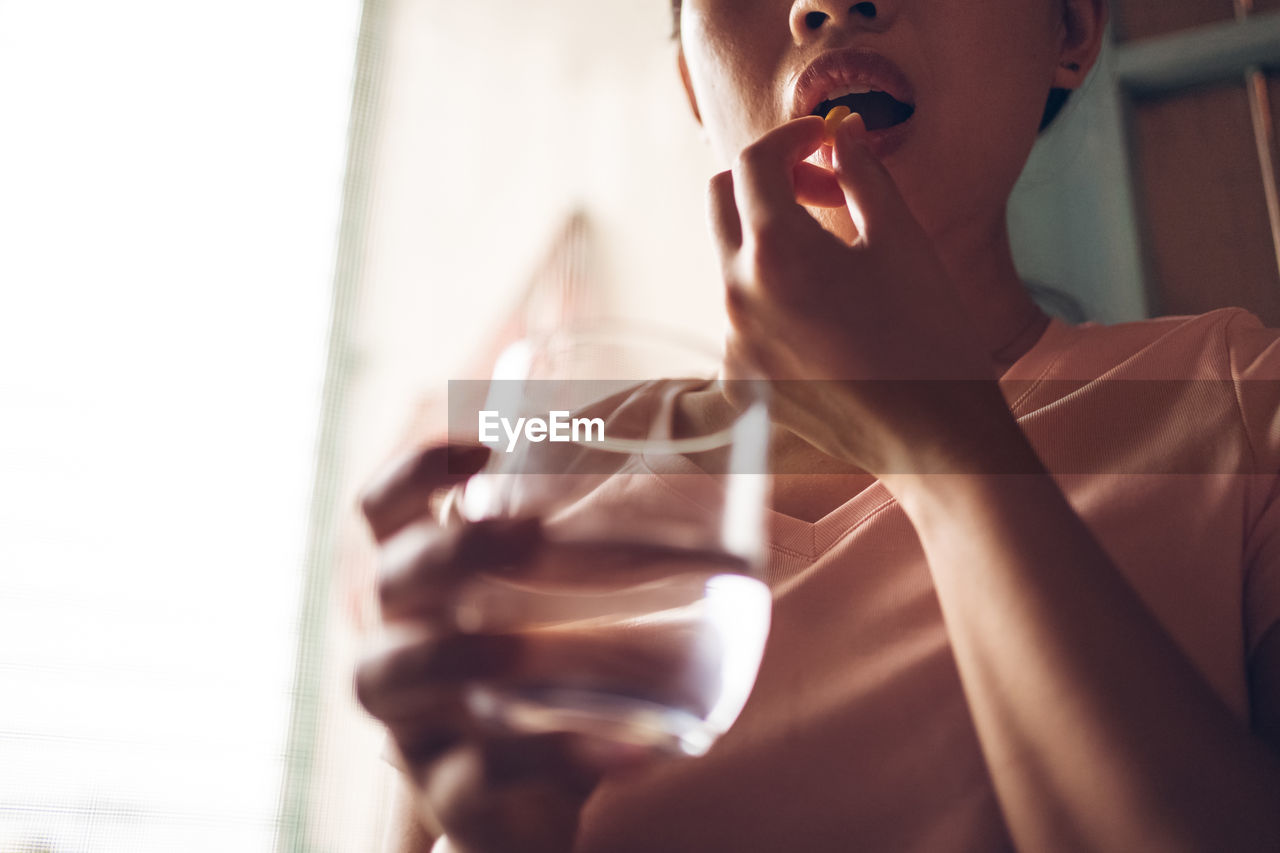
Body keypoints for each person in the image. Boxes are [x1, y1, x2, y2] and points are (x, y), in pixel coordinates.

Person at [355, 0, 1280, 850]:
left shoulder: (1235, 402)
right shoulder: (536, 480)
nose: (827, 2)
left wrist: (946, 451)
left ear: (1070, 30)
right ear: (690, 79)